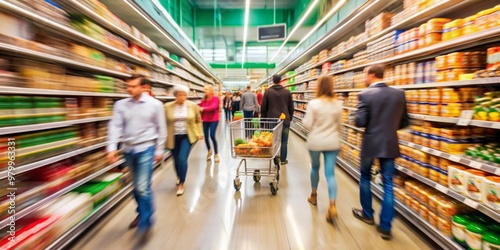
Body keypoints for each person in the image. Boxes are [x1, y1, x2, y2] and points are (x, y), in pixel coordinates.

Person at [352, 64, 410, 240]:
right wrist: (390, 129)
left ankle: (367, 214)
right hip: (390, 144)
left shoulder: (365, 95)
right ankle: (385, 227)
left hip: (370, 144)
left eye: (365, 75)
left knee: (365, 177)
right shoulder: (399, 94)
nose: (364, 79)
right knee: (388, 185)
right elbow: (405, 121)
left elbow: (360, 121)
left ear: (371, 75)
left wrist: (356, 116)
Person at [106, 74, 166, 238]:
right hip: (128, 150)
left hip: (146, 149)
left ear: (143, 87)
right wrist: (112, 148)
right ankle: (141, 212)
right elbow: (115, 126)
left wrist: (159, 150)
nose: (129, 89)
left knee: (142, 187)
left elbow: (161, 129)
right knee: (136, 187)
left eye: (133, 86)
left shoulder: (155, 105)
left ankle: (146, 222)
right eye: (128, 86)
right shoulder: (120, 105)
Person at [302, 75, 343, 224]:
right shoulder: (338, 104)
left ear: (318, 86)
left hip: (316, 142)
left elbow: (307, 124)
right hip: (332, 142)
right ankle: (332, 206)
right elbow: (339, 125)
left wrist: (305, 121)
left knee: (315, 167)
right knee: (330, 173)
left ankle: (313, 195)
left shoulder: (313, 103)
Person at [165, 85, 203, 196]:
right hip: (172, 136)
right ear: (175, 95)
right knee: (176, 159)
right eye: (180, 95)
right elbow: (163, 122)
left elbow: (198, 120)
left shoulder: (192, 106)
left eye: (184, 95)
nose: (182, 97)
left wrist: (200, 132)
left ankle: (182, 183)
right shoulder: (167, 107)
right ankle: (178, 175)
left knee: (182, 158)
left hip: (187, 135)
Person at [261, 74, 294, 165]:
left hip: (271, 120)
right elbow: (291, 107)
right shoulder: (287, 92)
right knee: (284, 141)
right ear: (280, 81)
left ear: (273, 81)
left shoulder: (268, 92)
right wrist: (289, 118)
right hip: (284, 120)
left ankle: (273, 158)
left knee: (272, 140)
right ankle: (283, 160)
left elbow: (263, 108)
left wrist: (262, 121)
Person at [199, 85, 220, 163]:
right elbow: (200, 108)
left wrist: (204, 108)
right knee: (206, 137)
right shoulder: (203, 100)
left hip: (214, 119)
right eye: (204, 89)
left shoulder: (216, 98)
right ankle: (209, 151)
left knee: (212, 135)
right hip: (205, 120)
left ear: (211, 90)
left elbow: (214, 107)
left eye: (206, 89)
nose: (204, 90)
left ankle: (216, 154)